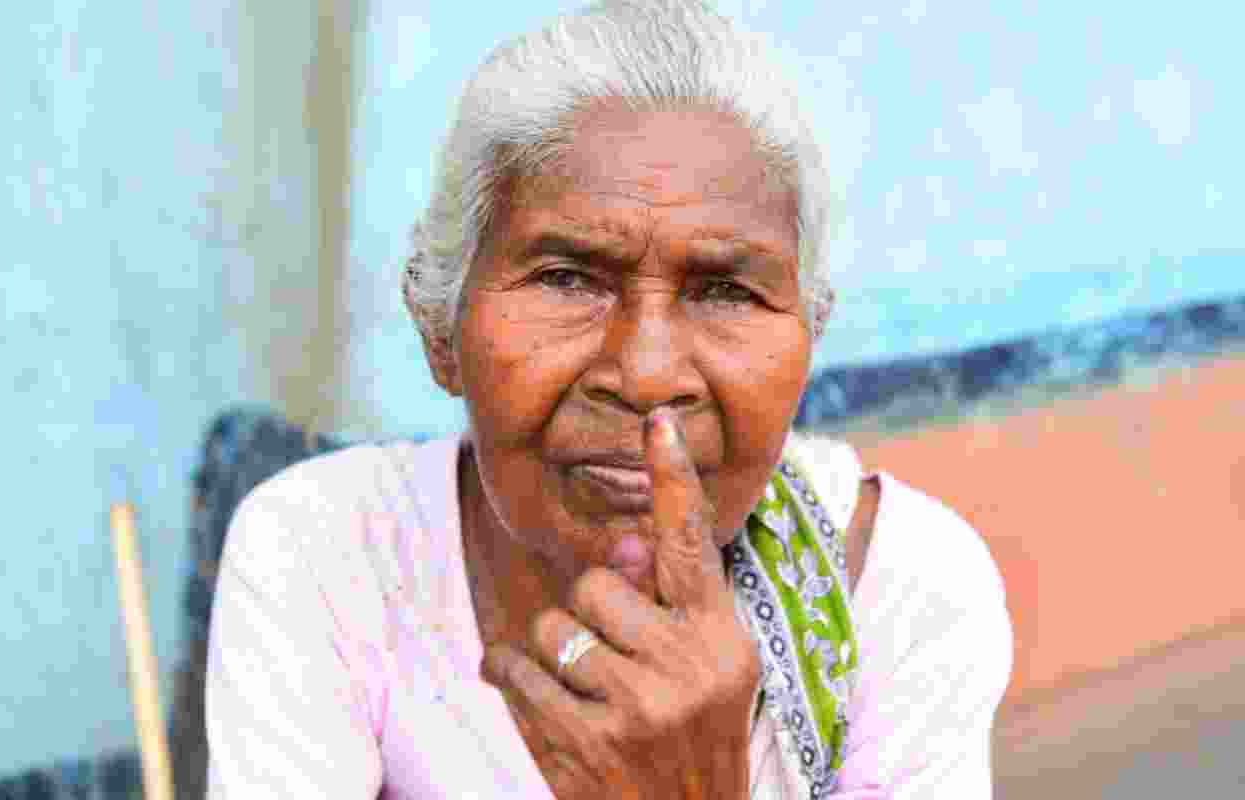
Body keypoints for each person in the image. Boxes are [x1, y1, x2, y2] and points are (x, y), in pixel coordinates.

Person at [204, 1, 1012, 797]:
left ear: (809, 339)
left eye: (726, 291)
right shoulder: (334, 555)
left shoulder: (901, 593)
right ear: (439, 327)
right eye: (567, 280)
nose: (648, 375)